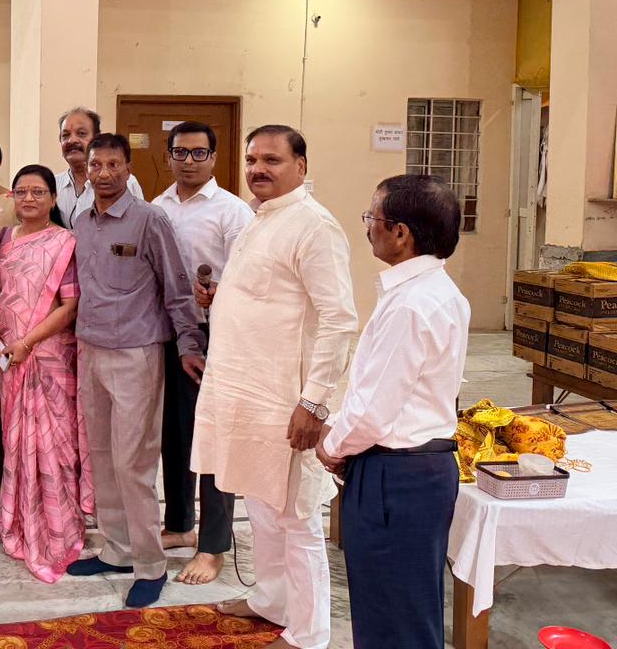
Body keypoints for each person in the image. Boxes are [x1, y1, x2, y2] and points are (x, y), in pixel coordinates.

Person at [192, 125, 357, 649]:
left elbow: (338, 320)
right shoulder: (260, 217)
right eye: (252, 160)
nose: (258, 169)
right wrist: (222, 296)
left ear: (300, 166)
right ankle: (271, 600)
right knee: (262, 507)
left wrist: (314, 402)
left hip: (287, 400)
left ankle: (309, 632)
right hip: (245, 392)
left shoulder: (314, 226)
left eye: (272, 160)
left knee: (296, 519)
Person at [316, 175, 468, 649]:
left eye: (372, 217)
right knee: (404, 609)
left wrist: (331, 444)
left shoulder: (410, 305)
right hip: (419, 470)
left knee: (392, 617)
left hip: (395, 477)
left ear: (400, 233)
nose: (367, 227)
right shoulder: (441, 291)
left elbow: (373, 411)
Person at [65, 134, 204, 609]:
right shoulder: (81, 221)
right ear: (87, 170)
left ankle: (150, 564)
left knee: (134, 463)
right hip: (90, 350)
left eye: (113, 165)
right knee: (102, 457)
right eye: (95, 165)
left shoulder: (149, 220)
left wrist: (189, 343)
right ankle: (117, 550)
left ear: (128, 169)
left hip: (136, 354)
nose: (103, 173)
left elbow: (177, 286)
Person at [151, 121, 254, 585]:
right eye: (180, 153)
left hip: (217, 335)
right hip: (168, 334)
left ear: (213, 157)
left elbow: (248, 277)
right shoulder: (157, 207)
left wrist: (218, 294)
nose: (188, 161)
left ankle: (213, 545)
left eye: (198, 153)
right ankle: (179, 524)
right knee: (173, 432)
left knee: (212, 436)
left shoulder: (232, 212)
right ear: (169, 156)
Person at [0, 164, 92, 583]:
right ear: (12, 197)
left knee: (54, 443)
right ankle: (18, 518)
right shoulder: (1, 240)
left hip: (47, 356)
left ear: (53, 199)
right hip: (8, 357)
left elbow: (70, 306)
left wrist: (28, 342)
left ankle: (59, 525)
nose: (29, 199)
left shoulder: (64, 242)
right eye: (22, 192)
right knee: (16, 440)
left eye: (38, 192)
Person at [56, 107, 143, 229]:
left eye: (81, 133)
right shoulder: (53, 185)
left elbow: (138, 226)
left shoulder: (125, 181)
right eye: (65, 135)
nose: (72, 140)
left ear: (96, 139)